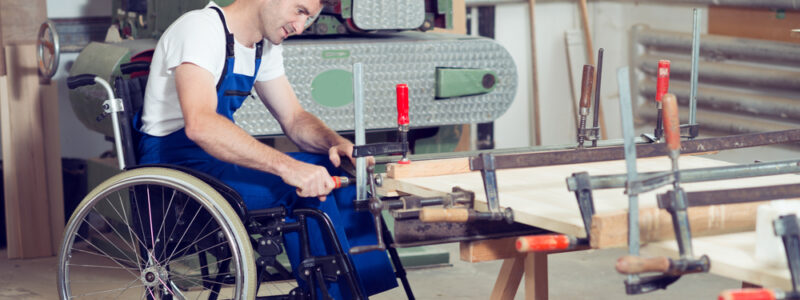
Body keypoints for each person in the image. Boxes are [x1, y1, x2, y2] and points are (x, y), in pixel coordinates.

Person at [134, 0, 398, 298]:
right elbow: (202, 125)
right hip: (177, 166)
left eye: (309, 19)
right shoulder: (200, 29)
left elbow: (294, 119)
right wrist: (288, 167)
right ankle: (329, 294)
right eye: (299, 11)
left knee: (340, 169)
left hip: (217, 159)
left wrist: (336, 144)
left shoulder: (263, 46)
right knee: (303, 188)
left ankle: (359, 289)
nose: (300, 27)